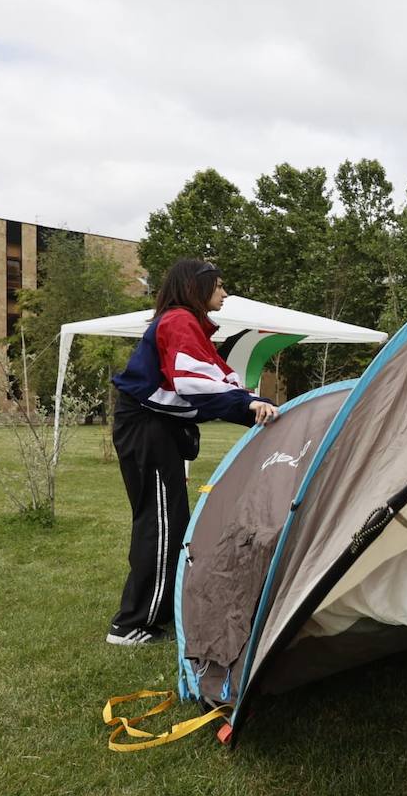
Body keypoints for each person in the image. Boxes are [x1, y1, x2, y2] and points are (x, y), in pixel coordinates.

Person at [106, 260, 278, 646]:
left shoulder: (188, 325)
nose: (225, 293)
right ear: (196, 289)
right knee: (160, 523)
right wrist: (249, 406)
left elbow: (219, 381)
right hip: (146, 429)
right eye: (219, 286)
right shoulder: (178, 320)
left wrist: (255, 406)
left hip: (154, 429)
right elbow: (192, 381)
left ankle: (155, 613)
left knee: (169, 520)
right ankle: (130, 625)